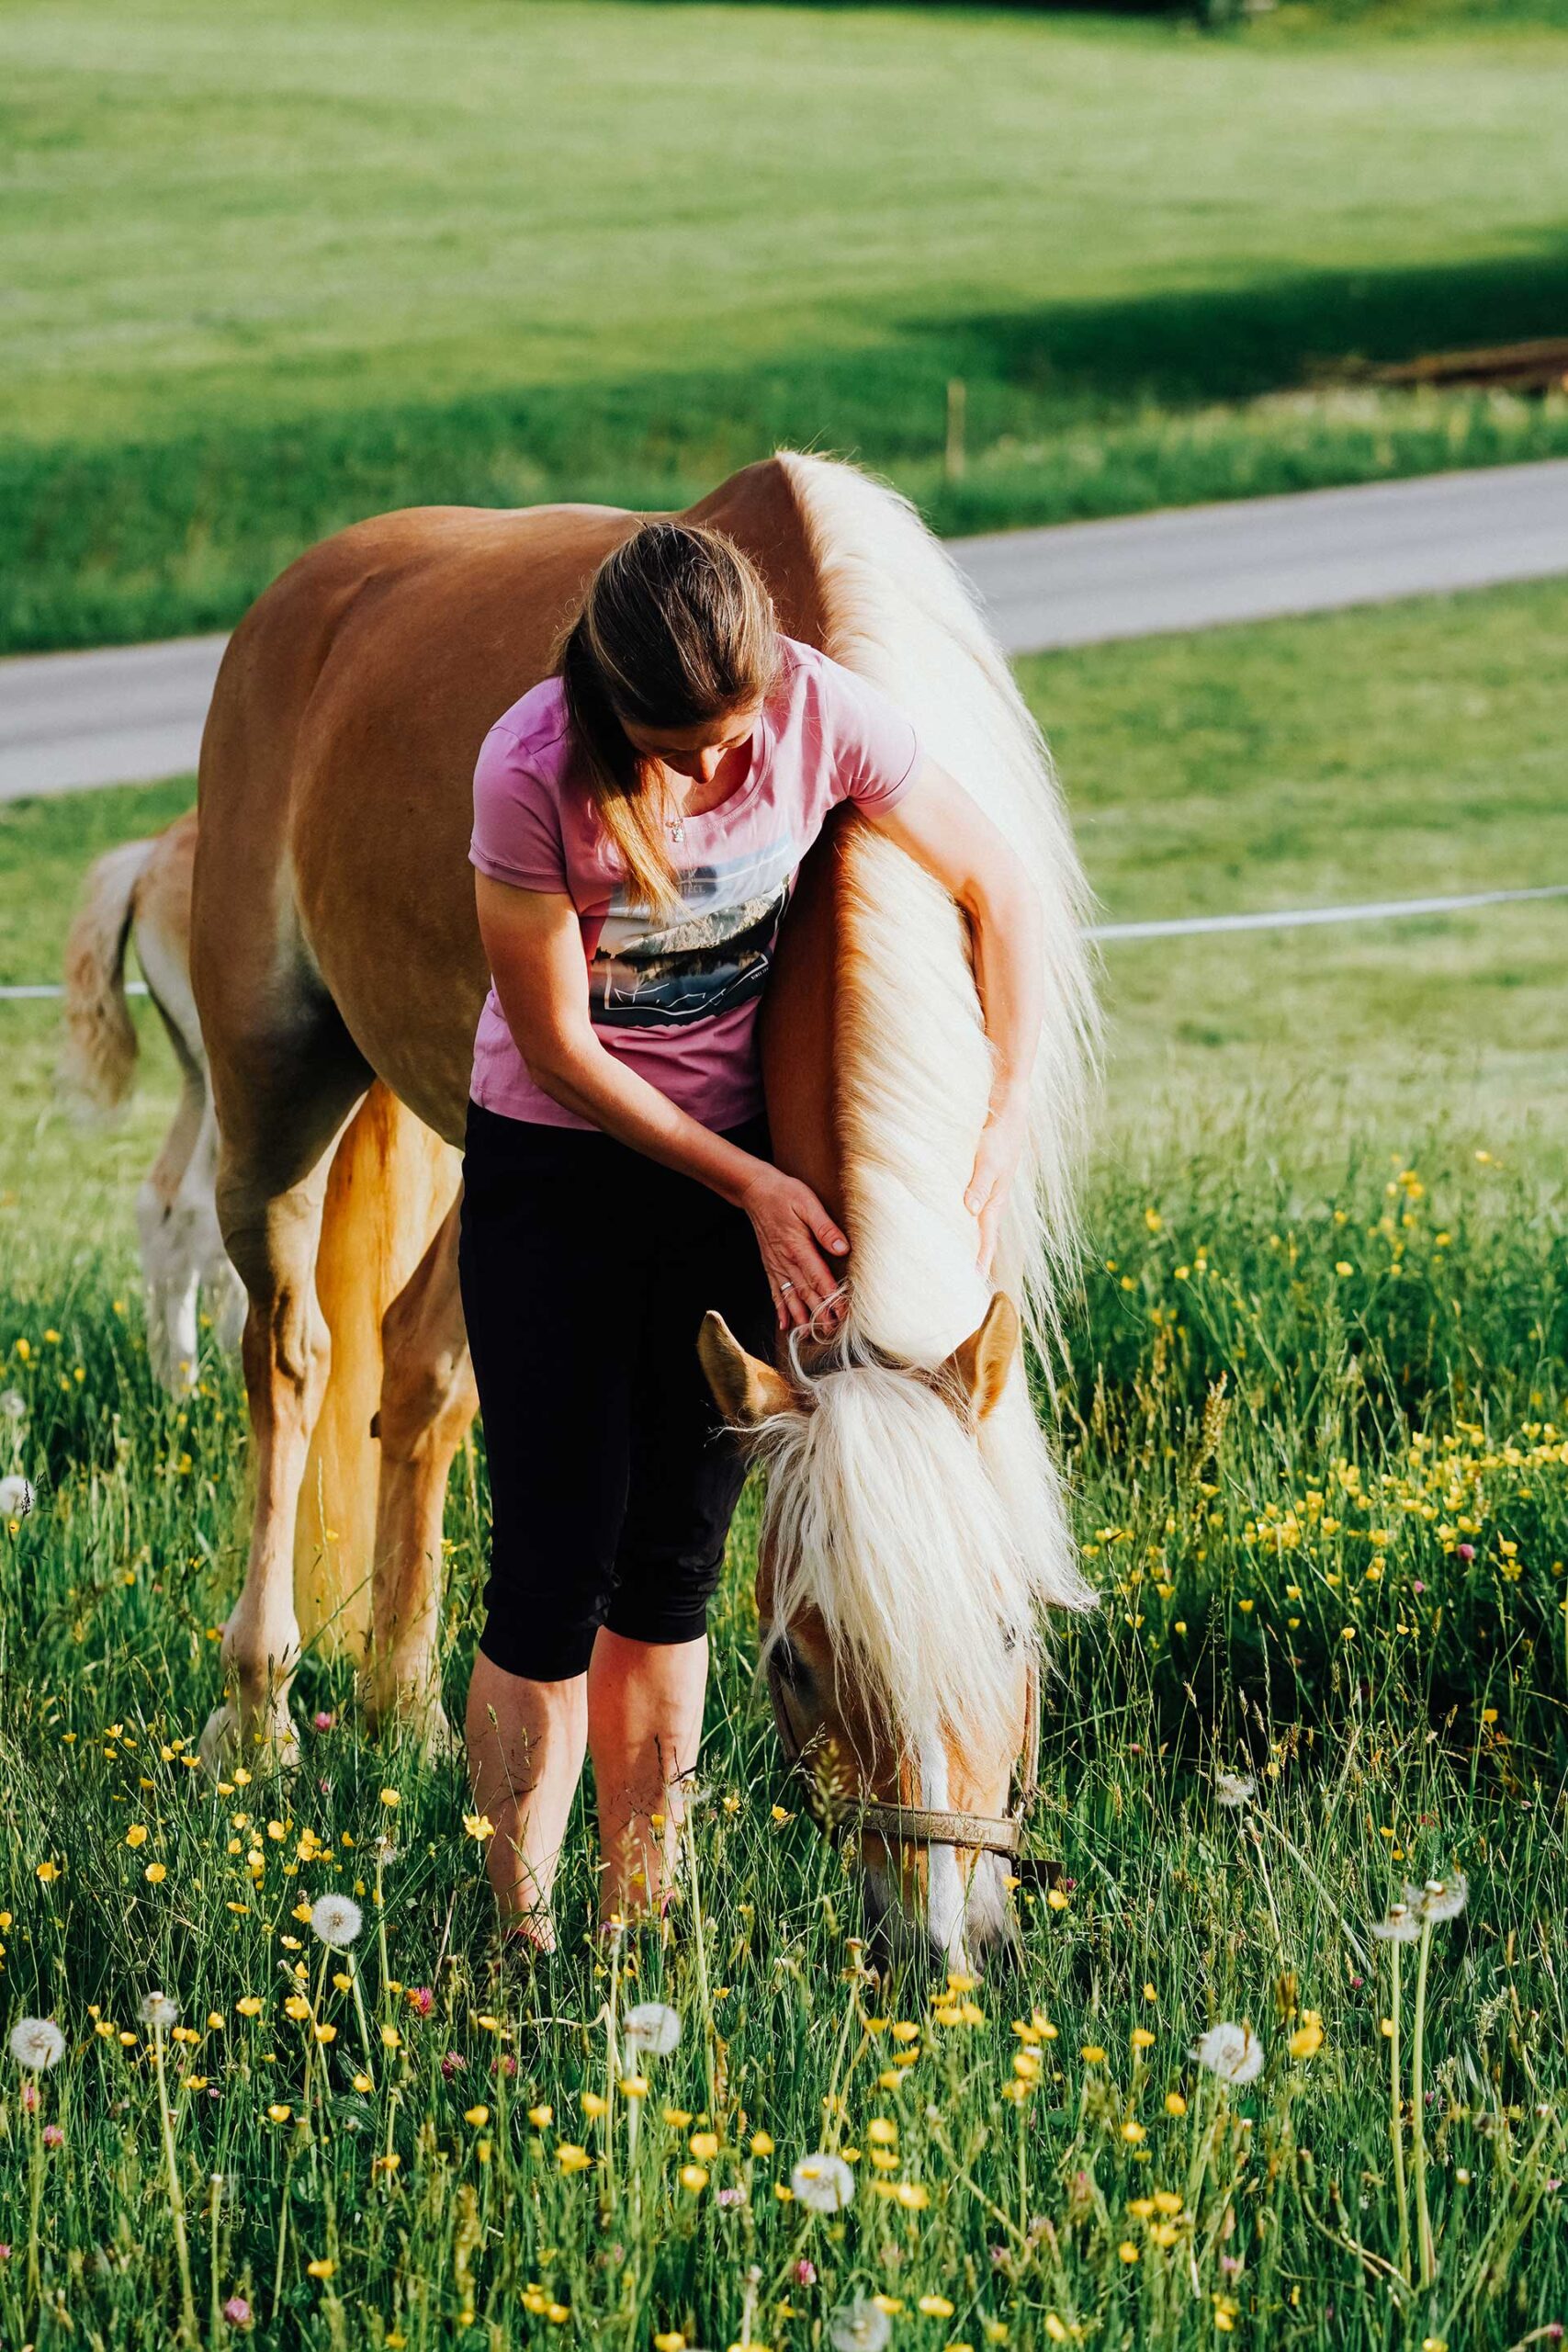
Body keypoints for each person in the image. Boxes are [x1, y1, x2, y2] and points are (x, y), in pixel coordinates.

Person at [459, 519, 1043, 1950]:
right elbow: (561, 1046)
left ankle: (636, 1920)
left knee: (670, 1573)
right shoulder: (530, 768)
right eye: (680, 750)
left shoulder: (810, 708)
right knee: (549, 1572)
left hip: (729, 1191)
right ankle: (516, 1928)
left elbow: (1001, 886)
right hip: (559, 1169)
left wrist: (1008, 1109)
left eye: (735, 740)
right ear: (609, 707)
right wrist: (755, 1184)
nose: (721, 774)